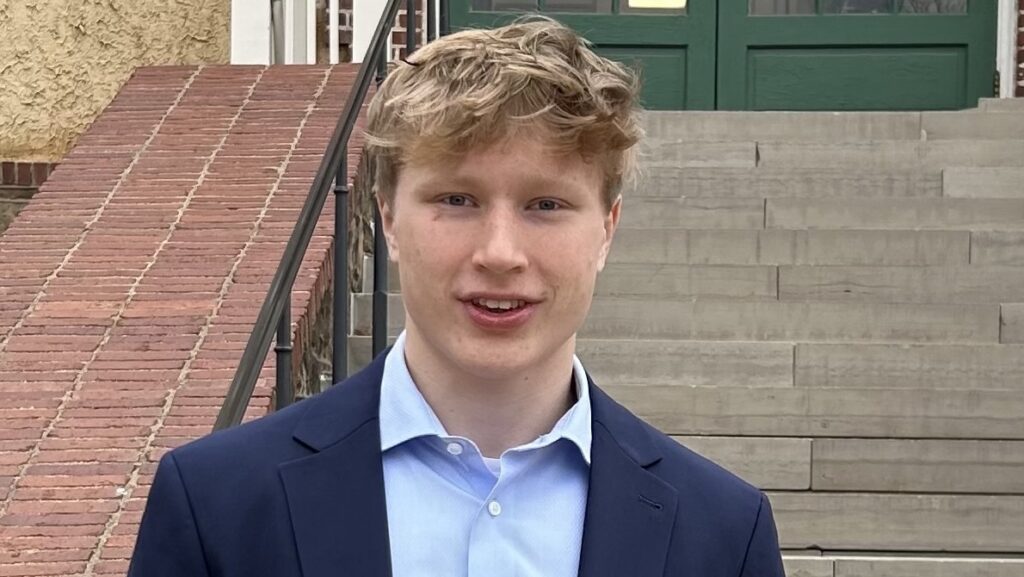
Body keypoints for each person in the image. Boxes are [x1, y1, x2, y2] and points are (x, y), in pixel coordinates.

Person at [128, 16, 785, 577]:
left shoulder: (723, 533)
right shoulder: (217, 504)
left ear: (606, 230)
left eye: (546, 204)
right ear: (388, 216)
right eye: (457, 199)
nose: (500, 252)